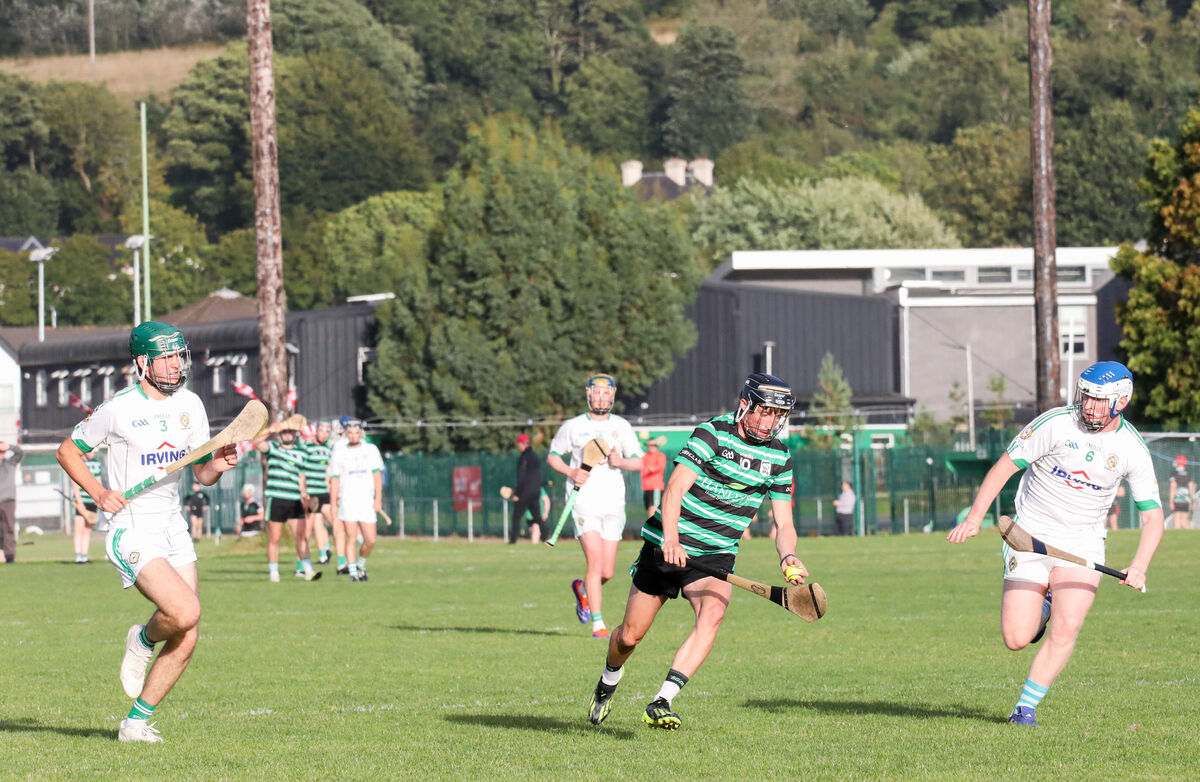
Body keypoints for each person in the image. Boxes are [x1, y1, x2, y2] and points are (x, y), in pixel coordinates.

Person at [947, 361, 1163, 727]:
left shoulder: (1131, 449)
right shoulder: (1056, 424)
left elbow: (1153, 517)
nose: (1089, 406)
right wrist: (973, 518)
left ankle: (1024, 708)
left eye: (1099, 400)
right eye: (1086, 397)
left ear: (1121, 402)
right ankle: (1042, 606)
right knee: (1017, 637)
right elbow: (1004, 467)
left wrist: (1139, 565)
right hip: (1029, 537)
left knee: (1068, 626)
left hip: (1083, 545)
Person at [586, 373, 806, 730]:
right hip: (667, 544)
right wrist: (671, 539)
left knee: (713, 614)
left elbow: (784, 523)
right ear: (745, 405)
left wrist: (788, 556)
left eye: (776, 416)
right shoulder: (713, 433)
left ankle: (661, 701)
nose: (769, 423)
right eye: (763, 412)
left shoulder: (779, 458)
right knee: (629, 637)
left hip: (716, 555)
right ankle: (607, 682)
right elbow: (674, 489)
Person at [55, 320, 240, 743]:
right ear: (142, 362)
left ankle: (135, 723)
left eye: (179, 356)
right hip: (131, 526)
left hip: (173, 524)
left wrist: (218, 465)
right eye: (167, 357)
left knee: (187, 631)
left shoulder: (191, 404)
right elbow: (68, 451)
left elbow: (201, 473)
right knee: (185, 612)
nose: (176, 365)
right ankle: (141, 638)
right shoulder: (117, 408)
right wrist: (100, 493)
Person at [547, 374, 643, 638]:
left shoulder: (621, 426)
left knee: (607, 571)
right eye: (596, 393)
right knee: (595, 561)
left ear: (612, 396)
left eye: (606, 393)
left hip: (613, 503)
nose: (601, 397)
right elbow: (553, 456)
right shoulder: (573, 426)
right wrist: (570, 471)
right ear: (589, 395)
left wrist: (621, 462)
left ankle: (583, 591)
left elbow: (639, 461)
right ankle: (598, 624)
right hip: (583, 501)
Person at [254, 419, 321, 582]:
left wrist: (305, 494)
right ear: (281, 434)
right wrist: (272, 428)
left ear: (294, 434)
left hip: (295, 500)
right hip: (276, 498)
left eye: (290, 431)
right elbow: (256, 441)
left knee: (302, 536)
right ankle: (274, 572)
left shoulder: (301, 453)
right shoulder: (273, 448)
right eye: (284, 432)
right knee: (274, 538)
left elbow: (302, 476)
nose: (287, 434)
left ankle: (308, 570)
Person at [327, 418, 383, 582]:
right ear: (346, 434)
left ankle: (360, 564)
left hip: (366, 501)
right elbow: (335, 479)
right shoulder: (340, 452)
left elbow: (377, 475)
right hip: (347, 500)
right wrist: (333, 503)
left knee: (370, 539)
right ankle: (353, 572)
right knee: (350, 537)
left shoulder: (371, 450)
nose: (353, 436)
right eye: (350, 433)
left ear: (361, 434)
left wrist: (378, 498)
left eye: (356, 433)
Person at [301, 420, 335, 565]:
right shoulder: (307, 448)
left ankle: (342, 556)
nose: (325, 434)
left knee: (336, 523)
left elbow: (329, 472)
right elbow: (301, 471)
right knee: (313, 526)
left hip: (324, 493)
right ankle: (322, 556)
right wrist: (304, 491)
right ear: (317, 431)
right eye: (322, 431)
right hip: (312, 494)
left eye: (328, 432)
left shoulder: (329, 449)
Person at [72, 454, 105, 563]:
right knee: (78, 529)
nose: (94, 453)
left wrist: (99, 498)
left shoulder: (96, 464)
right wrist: (79, 503)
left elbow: (98, 481)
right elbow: (75, 485)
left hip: (92, 502)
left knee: (87, 530)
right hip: (81, 502)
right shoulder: (76, 462)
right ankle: (78, 557)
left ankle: (84, 556)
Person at [512, 433, 542, 544]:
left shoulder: (523, 458)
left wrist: (517, 493)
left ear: (522, 444)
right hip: (535, 491)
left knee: (516, 517)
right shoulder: (535, 456)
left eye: (518, 443)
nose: (518, 446)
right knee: (537, 517)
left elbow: (521, 477)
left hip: (524, 493)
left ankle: (513, 539)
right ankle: (545, 537)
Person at [0, 439, 24, 564]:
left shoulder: (10, 463)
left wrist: (9, 446)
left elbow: (20, 453)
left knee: (9, 527)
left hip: (8, 501)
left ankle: (10, 556)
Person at [641, 436, 667, 517]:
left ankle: (654, 529)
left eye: (653, 445)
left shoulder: (660, 456)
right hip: (647, 488)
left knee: (654, 510)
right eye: (649, 445)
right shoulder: (645, 456)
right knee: (649, 509)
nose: (651, 447)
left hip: (656, 487)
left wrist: (650, 468)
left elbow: (657, 467)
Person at [1167, 455, 1194, 530]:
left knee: (1177, 523)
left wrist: (1171, 501)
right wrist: (1192, 501)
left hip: (1177, 500)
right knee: (1184, 522)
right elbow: (1191, 487)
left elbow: (1173, 487)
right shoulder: (1188, 474)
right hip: (1186, 500)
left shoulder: (1174, 473)